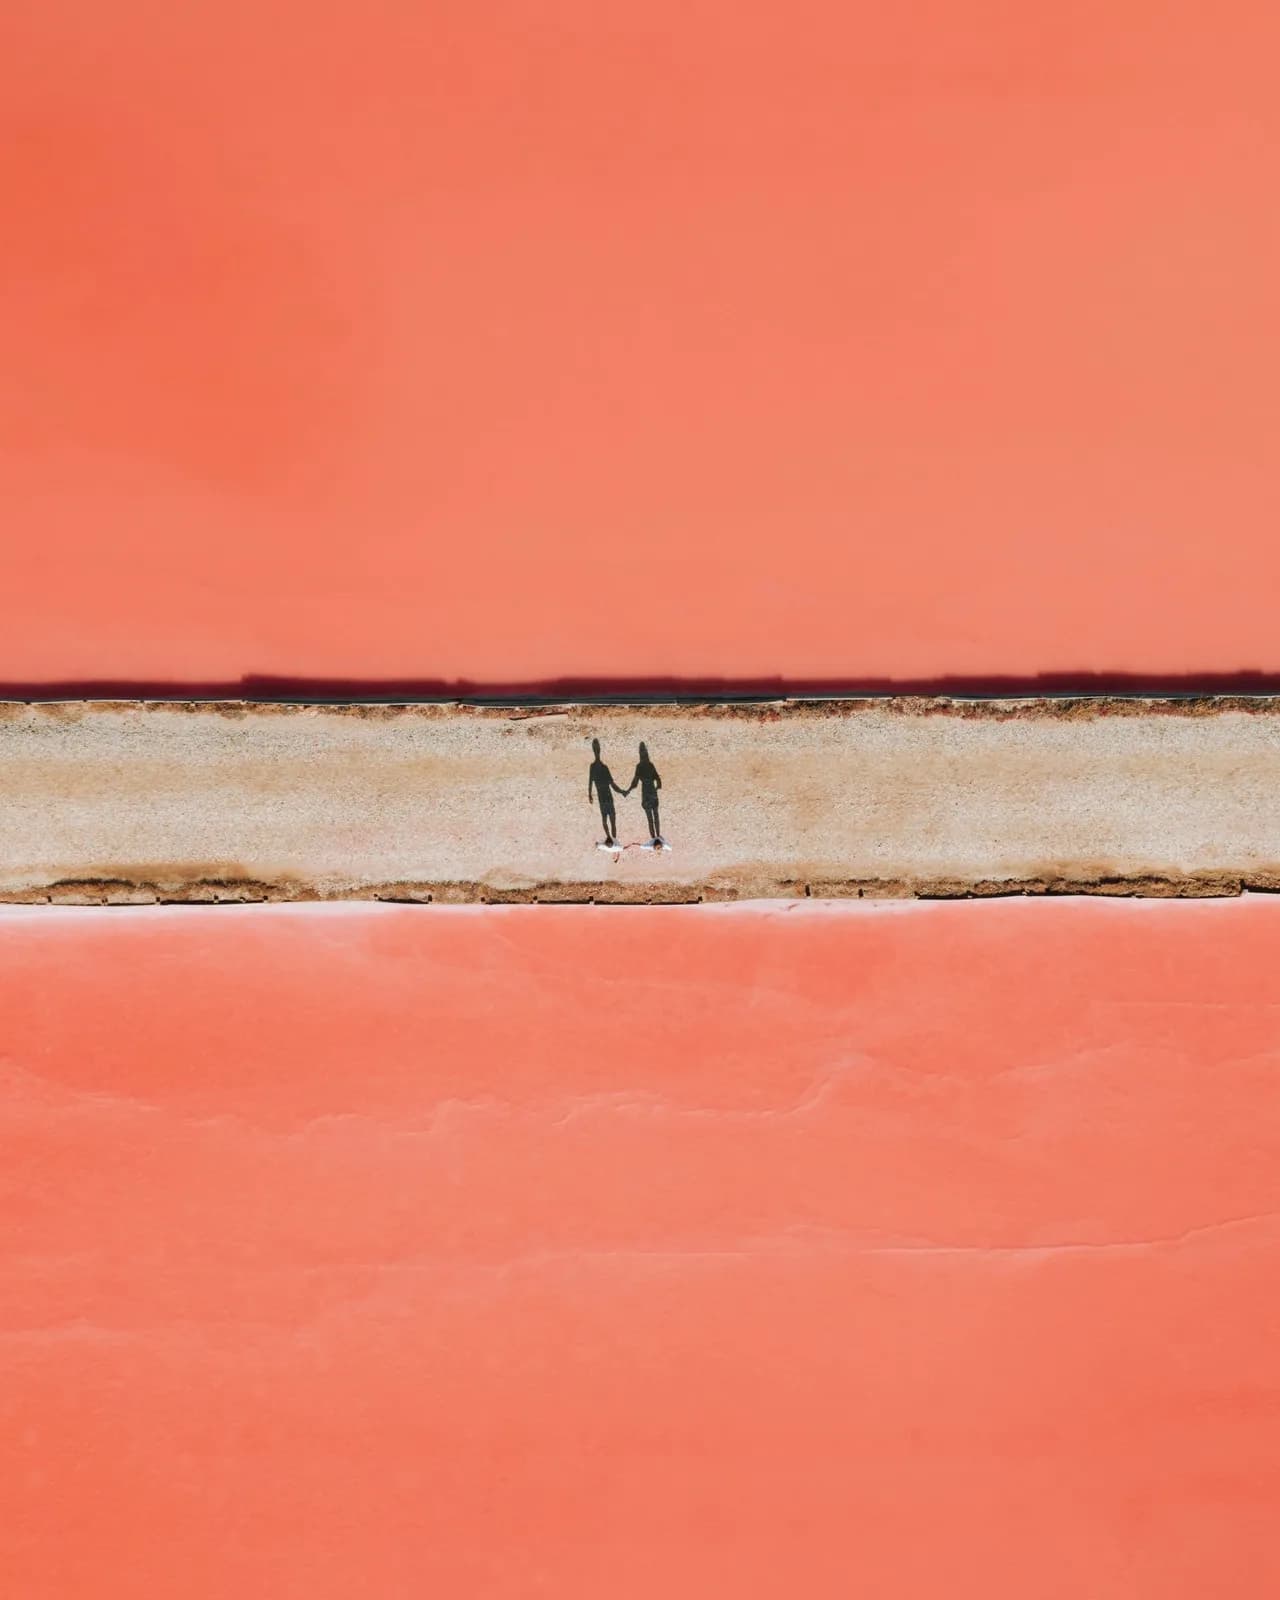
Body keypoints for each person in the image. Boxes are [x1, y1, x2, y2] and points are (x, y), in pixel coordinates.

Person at [587, 738, 626, 846]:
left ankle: (611, 838)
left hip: (603, 797)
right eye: (596, 749)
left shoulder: (595, 767)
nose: (596, 751)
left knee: (607, 820)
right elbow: (612, 785)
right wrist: (621, 791)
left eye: (596, 749)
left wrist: (589, 794)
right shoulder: (602, 767)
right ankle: (612, 839)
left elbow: (591, 781)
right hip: (606, 796)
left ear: (597, 751)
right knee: (611, 820)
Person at [625, 741, 663, 843]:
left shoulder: (639, 766)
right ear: (647, 754)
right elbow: (657, 778)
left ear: (640, 754)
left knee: (649, 818)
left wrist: (628, 790)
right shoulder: (650, 765)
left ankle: (654, 838)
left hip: (645, 794)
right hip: (653, 793)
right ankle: (658, 837)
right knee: (656, 816)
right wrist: (658, 787)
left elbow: (635, 783)